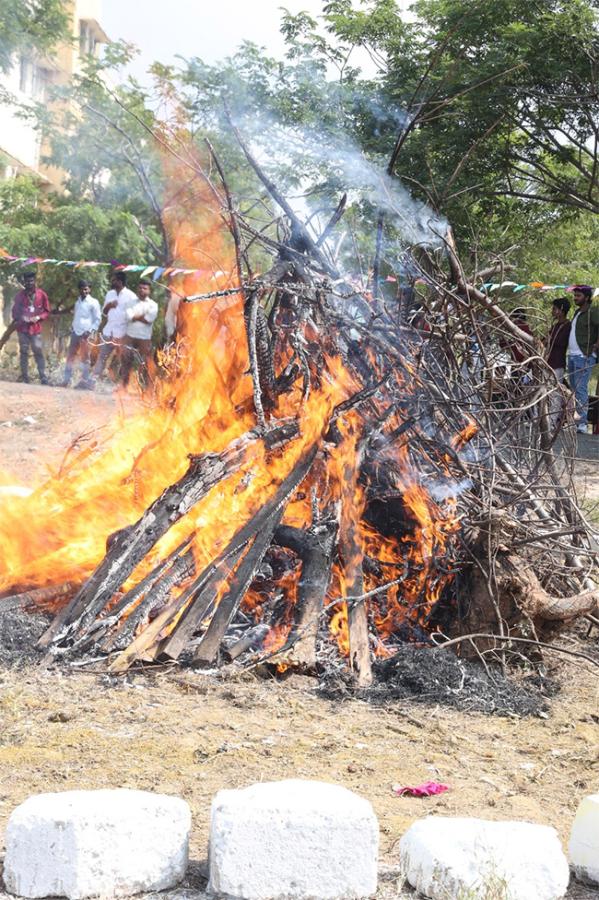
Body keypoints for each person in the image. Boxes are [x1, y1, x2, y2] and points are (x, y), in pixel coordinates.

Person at [91, 272, 137, 384]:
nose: (112, 281)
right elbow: (105, 313)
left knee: (125, 360)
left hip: (122, 334)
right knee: (102, 357)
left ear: (120, 282)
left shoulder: (131, 296)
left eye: (114, 280)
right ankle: (92, 382)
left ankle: (122, 386)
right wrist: (109, 305)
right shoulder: (110, 294)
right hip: (108, 331)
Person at [567, 284, 599, 434]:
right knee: (574, 390)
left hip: (584, 355)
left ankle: (583, 423)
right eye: (575, 295)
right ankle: (577, 420)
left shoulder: (593, 311)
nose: (575, 298)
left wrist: (596, 345)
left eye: (578, 296)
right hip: (573, 355)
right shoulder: (578, 312)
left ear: (587, 297)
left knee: (580, 389)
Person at [11, 271, 50, 385]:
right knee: (24, 352)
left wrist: (38, 317)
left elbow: (47, 311)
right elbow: (14, 313)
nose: (29, 283)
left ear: (35, 281)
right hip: (22, 329)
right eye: (27, 281)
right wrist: (22, 317)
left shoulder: (42, 295)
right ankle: (25, 377)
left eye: (31, 281)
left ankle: (43, 377)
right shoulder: (19, 296)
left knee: (38, 351)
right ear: (24, 282)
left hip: (36, 329)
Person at [61, 280, 101, 389]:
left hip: (86, 333)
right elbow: (76, 317)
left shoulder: (94, 302)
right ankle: (66, 380)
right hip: (76, 332)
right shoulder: (77, 302)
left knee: (85, 358)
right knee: (70, 356)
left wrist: (91, 330)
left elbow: (98, 319)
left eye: (86, 288)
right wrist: (73, 327)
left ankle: (84, 381)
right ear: (79, 289)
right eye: (82, 289)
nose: (84, 291)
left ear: (89, 289)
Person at [121, 280, 158, 388]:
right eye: (140, 288)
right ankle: (124, 386)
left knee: (146, 363)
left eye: (145, 288)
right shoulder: (130, 303)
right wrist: (141, 316)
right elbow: (128, 317)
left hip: (144, 338)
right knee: (126, 361)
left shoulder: (153, 305)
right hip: (129, 336)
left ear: (149, 291)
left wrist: (135, 316)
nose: (142, 290)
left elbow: (148, 319)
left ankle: (148, 388)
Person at [545, 297, 571, 381]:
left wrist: (549, 339)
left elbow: (560, 342)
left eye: (554, 309)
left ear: (561, 311)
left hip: (557, 364)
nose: (552, 311)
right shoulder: (555, 325)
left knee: (554, 391)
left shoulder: (568, 326)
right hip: (548, 362)